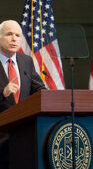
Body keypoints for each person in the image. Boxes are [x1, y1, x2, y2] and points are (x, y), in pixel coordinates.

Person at [0, 20, 45, 169]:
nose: (14, 39)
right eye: (9, 34)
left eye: (18, 35)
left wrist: (49, 97)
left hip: (25, 137)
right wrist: (3, 93)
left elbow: (39, 89)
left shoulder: (26, 61)